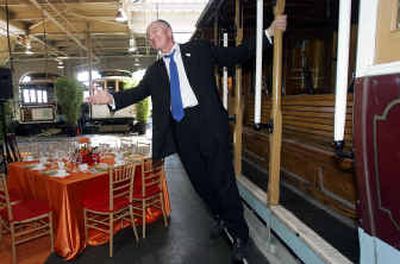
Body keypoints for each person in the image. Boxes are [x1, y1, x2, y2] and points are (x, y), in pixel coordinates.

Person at [88, 16, 287, 262]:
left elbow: (236, 54)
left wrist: (268, 33)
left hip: (209, 125)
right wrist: (109, 98)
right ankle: (221, 216)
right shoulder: (155, 71)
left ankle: (240, 236)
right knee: (201, 184)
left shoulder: (199, 49)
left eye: (156, 31)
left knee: (222, 181)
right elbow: (137, 93)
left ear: (169, 31)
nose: (152, 37)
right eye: (149, 36)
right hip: (182, 132)